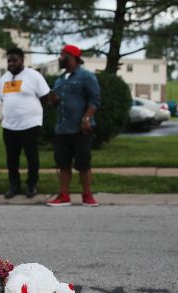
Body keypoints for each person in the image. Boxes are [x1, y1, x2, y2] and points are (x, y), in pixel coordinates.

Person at [46, 45, 101, 207]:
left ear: (72, 57)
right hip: (62, 129)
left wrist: (87, 119)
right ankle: (64, 196)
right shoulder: (60, 80)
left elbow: (95, 100)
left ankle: (87, 195)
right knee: (63, 164)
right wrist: (53, 100)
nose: (59, 58)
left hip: (80, 129)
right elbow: (56, 104)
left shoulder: (87, 77)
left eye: (62, 55)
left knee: (83, 164)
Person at [0, 47, 51, 199]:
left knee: (31, 156)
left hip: (30, 125)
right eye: (9, 60)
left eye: (14, 60)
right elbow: (2, 99)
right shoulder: (4, 78)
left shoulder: (33, 76)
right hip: (9, 126)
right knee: (12, 158)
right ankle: (14, 185)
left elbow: (45, 97)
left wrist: (35, 114)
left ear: (22, 60)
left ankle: (32, 185)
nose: (11, 63)